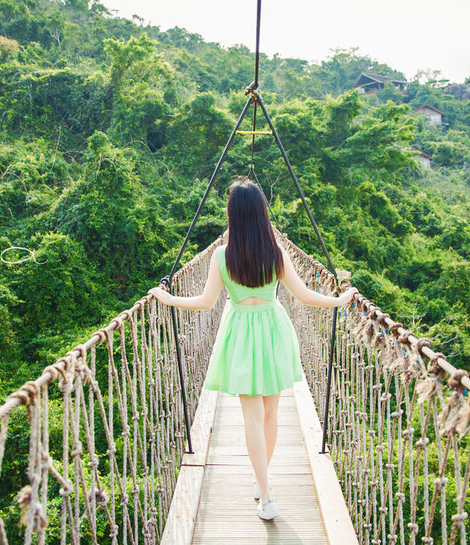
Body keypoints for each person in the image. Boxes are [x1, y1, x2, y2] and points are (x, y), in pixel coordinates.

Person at [150, 178, 356, 521]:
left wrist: (169, 298)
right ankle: (264, 483)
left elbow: (205, 303)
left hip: (241, 334)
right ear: (262, 213)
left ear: (232, 215)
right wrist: (339, 299)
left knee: (252, 418)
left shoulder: (221, 256)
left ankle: (266, 495)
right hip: (274, 329)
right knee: (272, 414)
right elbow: (305, 296)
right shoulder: (275, 252)